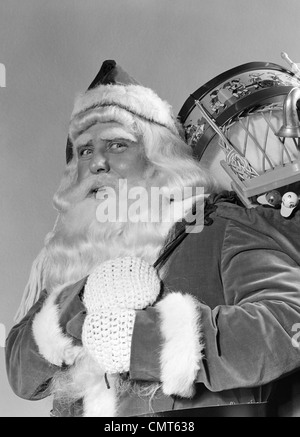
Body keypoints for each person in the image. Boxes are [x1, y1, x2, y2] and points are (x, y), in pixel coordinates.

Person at [5, 60, 300, 417]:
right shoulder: (70, 264)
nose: (96, 162)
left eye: (116, 144)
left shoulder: (217, 225)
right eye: (84, 150)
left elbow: (287, 322)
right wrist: (76, 301)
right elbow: (21, 376)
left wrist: (145, 340)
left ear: (159, 159)